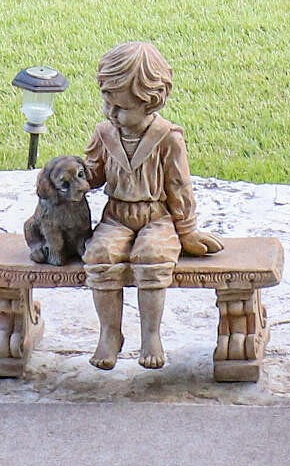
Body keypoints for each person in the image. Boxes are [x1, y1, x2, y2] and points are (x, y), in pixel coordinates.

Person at [79, 40, 218, 370]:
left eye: (121, 107)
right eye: (107, 102)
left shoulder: (168, 138)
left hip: (156, 217)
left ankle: (150, 335)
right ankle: (110, 333)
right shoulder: (105, 133)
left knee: (153, 258)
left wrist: (187, 231)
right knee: (100, 256)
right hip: (116, 215)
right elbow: (93, 172)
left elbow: (179, 187)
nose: (112, 113)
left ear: (150, 103)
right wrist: (73, 178)